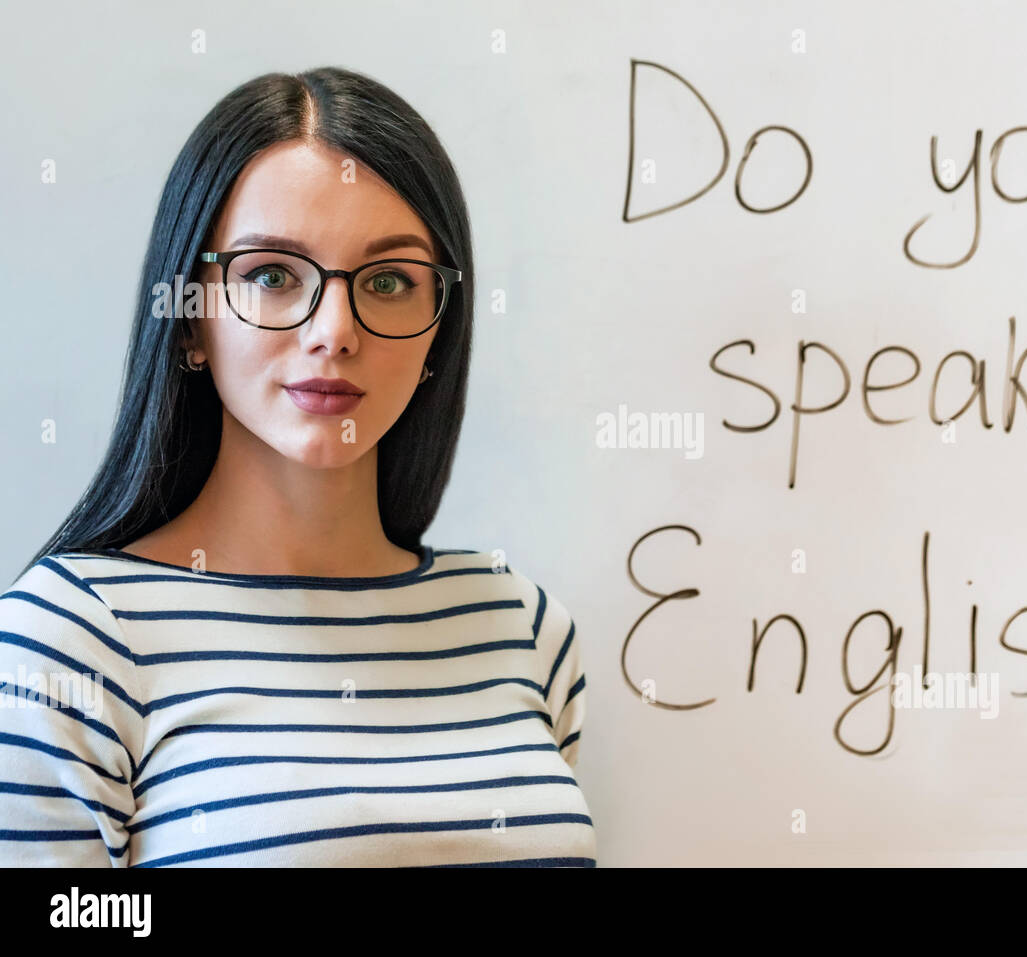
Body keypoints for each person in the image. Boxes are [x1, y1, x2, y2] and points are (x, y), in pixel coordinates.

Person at [0, 67, 595, 866]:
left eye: (388, 281)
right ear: (189, 322)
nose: (334, 329)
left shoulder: (523, 627)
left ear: (437, 335)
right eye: (272, 275)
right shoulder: (67, 640)